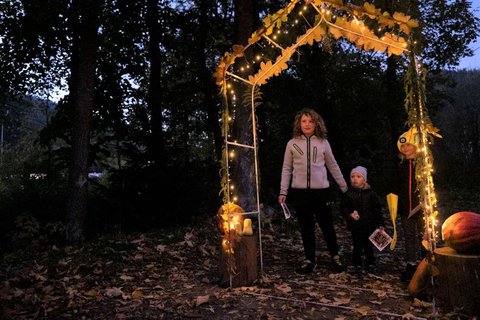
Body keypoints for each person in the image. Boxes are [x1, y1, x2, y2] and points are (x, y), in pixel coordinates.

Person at [278, 108, 348, 274]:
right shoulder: (292, 143)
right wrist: (283, 191)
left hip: (321, 192)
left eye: (310, 121)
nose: (307, 124)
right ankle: (310, 260)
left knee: (327, 225)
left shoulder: (323, 142)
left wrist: (344, 187)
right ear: (299, 124)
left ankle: (335, 256)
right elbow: (287, 168)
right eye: (304, 121)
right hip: (300, 193)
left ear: (316, 124)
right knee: (306, 227)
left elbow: (333, 165)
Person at [340, 166, 384, 274]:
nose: (355, 179)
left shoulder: (371, 194)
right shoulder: (348, 194)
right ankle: (357, 264)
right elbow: (343, 208)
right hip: (356, 225)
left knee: (369, 245)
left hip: (369, 225)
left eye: (358, 176)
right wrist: (350, 214)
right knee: (357, 245)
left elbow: (377, 210)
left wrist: (380, 224)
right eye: (353, 176)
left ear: (364, 179)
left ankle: (370, 263)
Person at [394, 127, 425, 282]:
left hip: (422, 207)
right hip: (405, 207)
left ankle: (426, 263)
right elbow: (395, 185)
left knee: (424, 235)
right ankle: (411, 265)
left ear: (416, 145)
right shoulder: (400, 165)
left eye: (408, 145)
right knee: (409, 235)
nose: (405, 148)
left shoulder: (423, 163)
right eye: (403, 146)